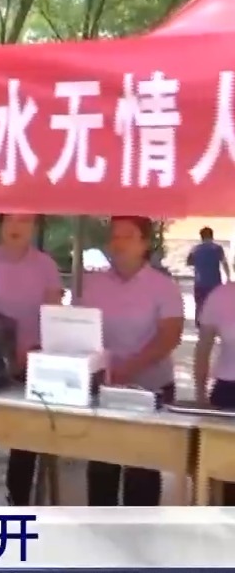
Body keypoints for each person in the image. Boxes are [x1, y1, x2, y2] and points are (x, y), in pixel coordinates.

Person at [0, 213, 64, 506]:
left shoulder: (45, 266)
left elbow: (54, 318)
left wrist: (37, 353)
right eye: (11, 221)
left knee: (25, 437)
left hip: (34, 364)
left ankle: (18, 502)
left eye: (25, 221)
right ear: (1, 225)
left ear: (34, 227)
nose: (17, 227)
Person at [78, 215, 184, 506]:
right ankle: (101, 529)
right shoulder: (95, 285)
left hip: (151, 389)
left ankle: (138, 530)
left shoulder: (164, 286)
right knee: (102, 468)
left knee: (142, 471)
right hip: (105, 388)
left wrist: (130, 368)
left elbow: (170, 336)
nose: (118, 243)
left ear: (145, 243)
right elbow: (80, 328)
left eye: (127, 236)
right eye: (115, 236)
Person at [188, 226, 229, 319]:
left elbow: (189, 262)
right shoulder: (217, 248)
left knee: (200, 305)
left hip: (199, 282)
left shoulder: (195, 249)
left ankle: (199, 323)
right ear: (212, 236)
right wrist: (228, 277)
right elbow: (224, 263)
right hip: (215, 283)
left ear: (201, 237)